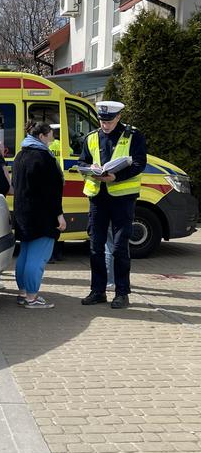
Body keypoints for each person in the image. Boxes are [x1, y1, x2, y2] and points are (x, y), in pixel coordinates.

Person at [78, 101, 146, 309]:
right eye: (101, 120)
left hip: (122, 199)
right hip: (98, 197)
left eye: (108, 120)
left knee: (118, 248)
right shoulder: (91, 138)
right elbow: (82, 162)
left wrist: (115, 176)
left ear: (118, 117)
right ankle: (97, 291)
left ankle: (121, 293)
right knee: (96, 247)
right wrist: (90, 168)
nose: (104, 124)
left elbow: (139, 163)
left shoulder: (133, 136)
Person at [13, 122, 66, 308]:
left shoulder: (20, 155)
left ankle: (22, 293)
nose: (53, 137)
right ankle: (32, 297)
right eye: (51, 134)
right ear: (42, 136)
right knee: (38, 257)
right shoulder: (44, 158)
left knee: (25, 255)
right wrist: (59, 215)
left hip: (22, 213)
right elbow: (52, 191)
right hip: (42, 215)